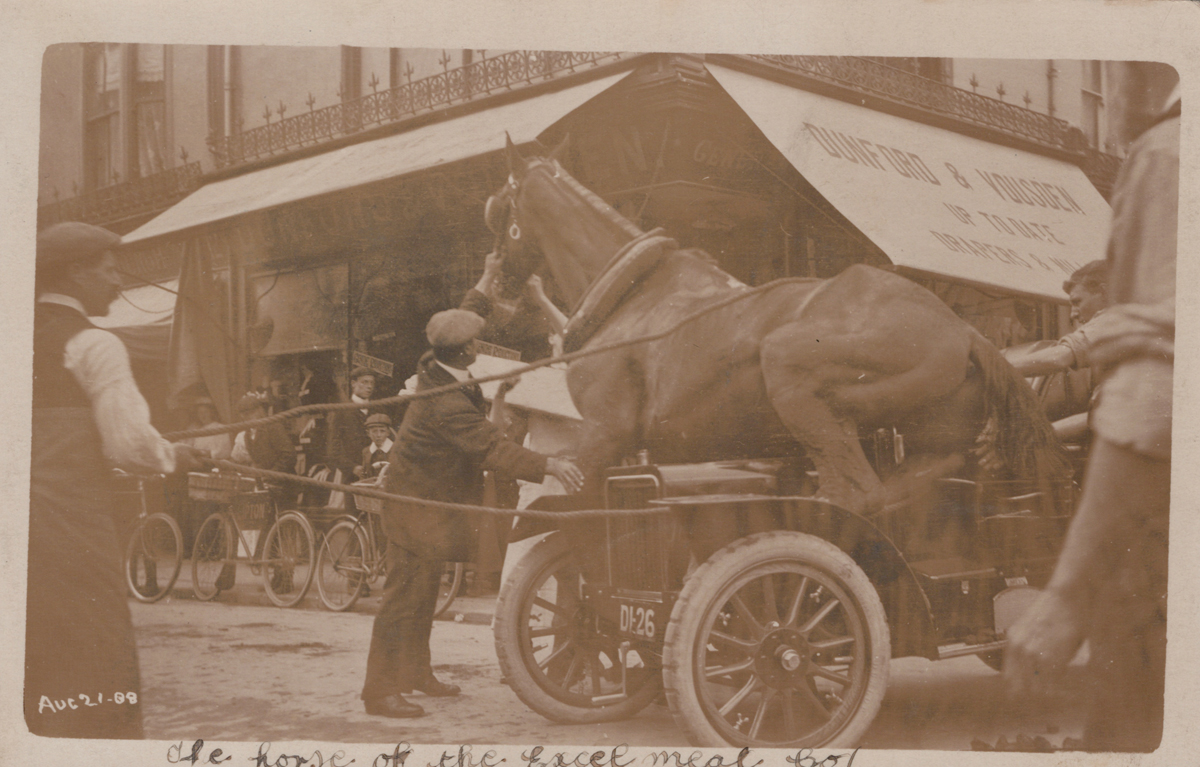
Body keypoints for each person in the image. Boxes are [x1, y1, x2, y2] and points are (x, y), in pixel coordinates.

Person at [1004, 87, 1178, 752]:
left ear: (1104, 291)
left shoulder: (1168, 151)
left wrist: (1069, 593)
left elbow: (1140, 393)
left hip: (1138, 504)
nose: (1075, 307)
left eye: (1079, 297)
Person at [26, 222, 206, 738]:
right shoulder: (92, 343)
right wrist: (173, 455)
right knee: (93, 649)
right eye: (108, 269)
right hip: (69, 524)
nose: (117, 282)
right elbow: (128, 443)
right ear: (77, 270)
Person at [360, 308, 584, 719]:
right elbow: (492, 448)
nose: (478, 347)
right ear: (464, 351)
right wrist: (551, 465)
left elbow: (483, 424)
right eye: (474, 343)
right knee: (402, 598)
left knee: (424, 593)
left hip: (426, 505)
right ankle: (379, 690)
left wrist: (499, 394)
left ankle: (415, 672)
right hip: (414, 508)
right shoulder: (445, 400)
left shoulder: (437, 368)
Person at [327, 367, 378, 483]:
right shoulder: (342, 412)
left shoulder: (377, 410)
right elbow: (333, 449)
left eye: (372, 383)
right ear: (354, 384)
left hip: (376, 473)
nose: (369, 386)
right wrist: (352, 468)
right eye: (365, 382)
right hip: (352, 476)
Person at [231, 394, 296, 475]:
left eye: (250, 413)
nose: (247, 417)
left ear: (259, 411)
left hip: (282, 481)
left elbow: (289, 456)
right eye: (244, 415)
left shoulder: (273, 427)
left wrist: (271, 475)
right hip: (265, 481)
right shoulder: (247, 434)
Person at [355, 413, 394, 480]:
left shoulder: (396, 450)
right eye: (374, 431)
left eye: (382, 431)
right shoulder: (366, 451)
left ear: (388, 432)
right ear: (368, 433)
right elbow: (364, 477)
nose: (378, 435)